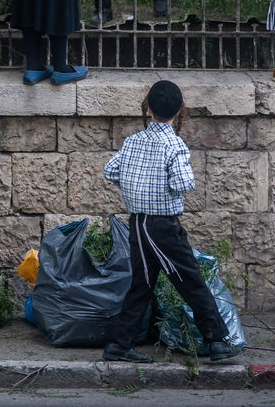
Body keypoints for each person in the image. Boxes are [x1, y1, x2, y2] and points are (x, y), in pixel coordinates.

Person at [102, 80, 235, 363]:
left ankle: (119, 344)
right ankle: (217, 341)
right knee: (190, 280)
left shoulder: (132, 142)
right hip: (162, 225)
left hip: (138, 223)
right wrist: (162, 186)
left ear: (148, 109)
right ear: (179, 111)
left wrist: (135, 185)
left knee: (142, 283)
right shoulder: (174, 145)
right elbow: (184, 183)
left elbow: (110, 171)